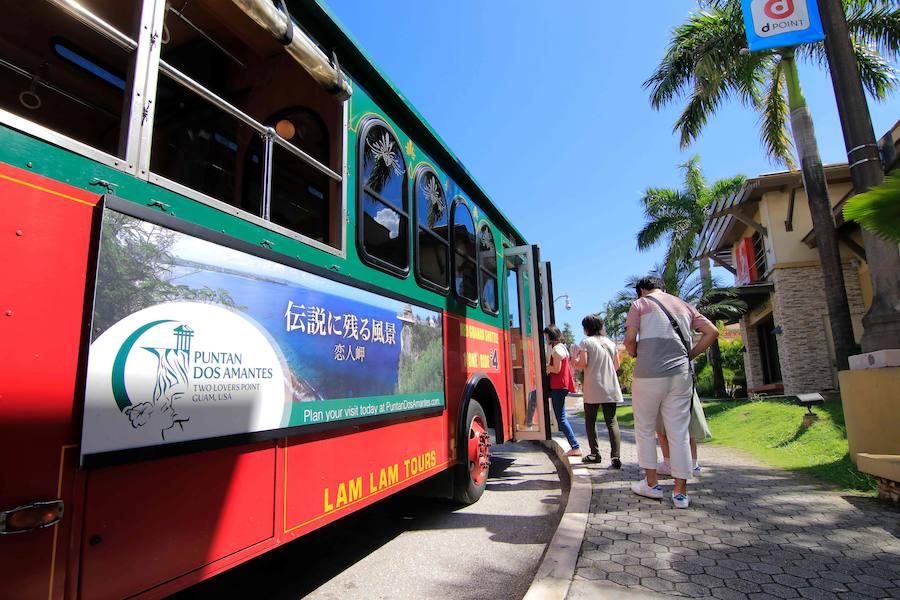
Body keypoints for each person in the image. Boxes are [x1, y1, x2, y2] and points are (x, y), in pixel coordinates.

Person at [623, 276, 718, 509]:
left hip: (648, 375)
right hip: (680, 375)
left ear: (642, 290)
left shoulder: (640, 304)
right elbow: (712, 332)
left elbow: (628, 339)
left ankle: (652, 485)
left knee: (644, 428)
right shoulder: (683, 304)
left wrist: (634, 352)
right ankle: (680, 493)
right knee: (679, 432)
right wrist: (690, 355)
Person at [570, 314, 623, 468]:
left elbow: (583, 363)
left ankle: (595, 453)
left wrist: (573, 359)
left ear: (586, 329)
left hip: (593, 386)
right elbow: (617, 365)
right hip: (611, 386)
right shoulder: (610, 343)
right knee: (612, 421)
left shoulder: (586, 342)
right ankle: (616, 456)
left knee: (590, 420)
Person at [544, 324, 581, 457]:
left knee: (561, 419)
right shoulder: (562, 348)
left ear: (550, 336)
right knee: (561, 417)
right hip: (561, 386)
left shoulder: (556, 350)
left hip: (558, 386)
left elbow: (557, 369)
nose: (545, 339)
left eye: (546, 336)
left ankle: (575, 446)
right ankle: (575, 446)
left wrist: (547, 367)